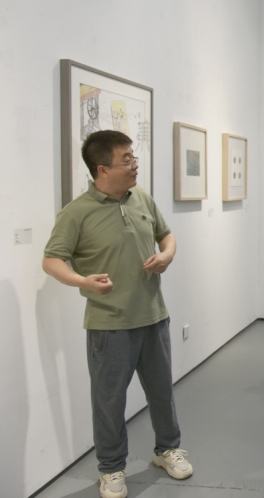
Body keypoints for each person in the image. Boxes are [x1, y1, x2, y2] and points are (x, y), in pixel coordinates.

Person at [42, 130, 192, 498]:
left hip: (154, 315)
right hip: (109, 324)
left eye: (133, 158)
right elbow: (51, 260)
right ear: (102, 169)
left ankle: (167, 449)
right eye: (127, 160)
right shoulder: (76, 212)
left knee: (161, 391)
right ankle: (111, 468)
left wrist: (167, 255)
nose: (135, 165)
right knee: (109, 401)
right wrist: (84, 281)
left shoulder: (141, 197)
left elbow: (167, 235)